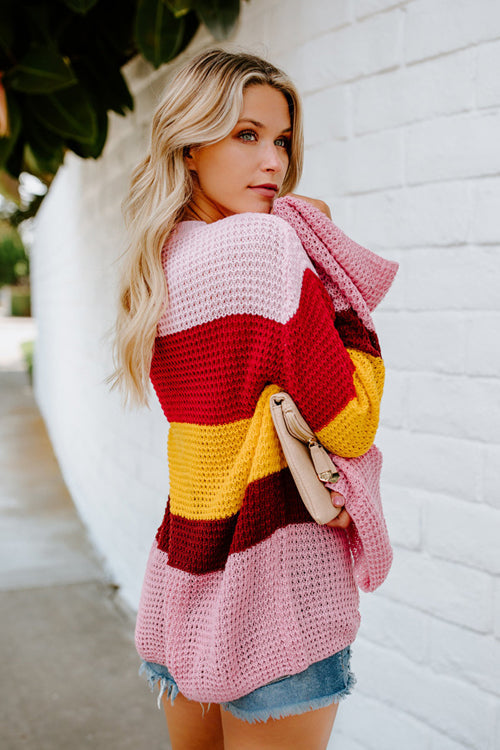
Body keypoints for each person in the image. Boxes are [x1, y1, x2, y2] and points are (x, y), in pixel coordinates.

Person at [106, 47, 395, 750]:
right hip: (276, 594)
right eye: (246, 134)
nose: (274, 162)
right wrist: (329, 273)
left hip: (184, 579)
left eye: (283, 139)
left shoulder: (161, 261)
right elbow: (351, 422)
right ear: (191, 145)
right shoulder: (264, 246)